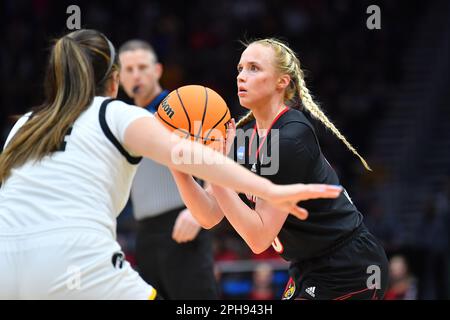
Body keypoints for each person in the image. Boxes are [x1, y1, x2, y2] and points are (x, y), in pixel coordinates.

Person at [0, 30, 341, 299]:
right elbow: (188, 155)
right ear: (115, 80)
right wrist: (267, 189)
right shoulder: (116, 113)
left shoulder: (25, 124)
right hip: (75, 257)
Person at [170, 38, 389, 300]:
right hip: (307, 266)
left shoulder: (290, 138)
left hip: (349, 266)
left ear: (281, 81)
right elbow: (209, 215)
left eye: (254, 68)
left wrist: (217, 171)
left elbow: (259, 238)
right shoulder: (241, 138)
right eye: (240, 69)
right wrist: (177, 167)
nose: (242, 76)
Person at [118, 40, 218, 299]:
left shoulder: (182, 106)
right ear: (119, 77)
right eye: (128, 69)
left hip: (182, 221)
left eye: (142, 67)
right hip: (144, 233)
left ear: (158, 70)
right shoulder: (123, 118)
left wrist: (199, 213)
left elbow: (219, 157)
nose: (135, 75)